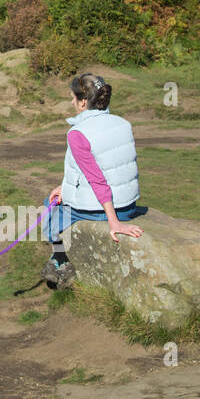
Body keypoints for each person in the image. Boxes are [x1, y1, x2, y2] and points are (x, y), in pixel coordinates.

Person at [42, 73, 145, 289]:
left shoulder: (78, 133)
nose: (71, 102)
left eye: (73, 97)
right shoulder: (123, 124)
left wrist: (113, 221)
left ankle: (60, 259)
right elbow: (109, 166)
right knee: (57, 196)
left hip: (104, 210)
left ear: (82, 101)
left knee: (49, 207)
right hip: (129, 205)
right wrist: (64, 188)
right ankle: (58, 260)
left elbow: (97, 180)